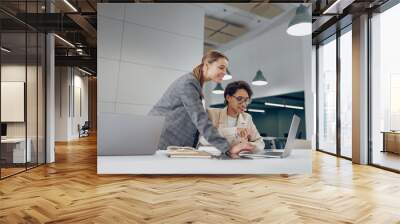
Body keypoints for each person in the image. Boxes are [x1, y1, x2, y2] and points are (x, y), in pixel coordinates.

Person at [148, 51, 255, 155]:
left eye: (226, 69)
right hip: (162, 140)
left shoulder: (196, 84)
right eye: (221, 67)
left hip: (173, 143)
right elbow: (200, 118)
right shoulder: (188, 83)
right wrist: (228, 148)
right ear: (207, 65)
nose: (224, 72)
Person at [206, 81, 265, 152]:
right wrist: (234, 131)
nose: (244, 104)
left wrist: (246, 145)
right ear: (228, 97)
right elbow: (203, 139)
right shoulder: (212, 114)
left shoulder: (247, 118)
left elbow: (260, 142)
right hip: (216, 160)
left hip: (239, 160)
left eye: (246, 100)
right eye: (239, 99)